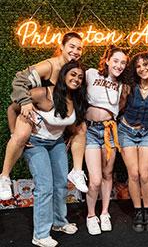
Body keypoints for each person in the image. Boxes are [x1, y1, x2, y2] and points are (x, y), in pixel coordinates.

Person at [7, 60, 88, 247]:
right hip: (35, 143)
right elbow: (12, 108)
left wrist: (70, 136)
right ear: (64, 75)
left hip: (56, 143)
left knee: (60, 184)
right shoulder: (43, 93)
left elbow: (70, 123)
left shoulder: (76, 99)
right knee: (45, 186)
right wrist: (15, 135)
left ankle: (59, 222)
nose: (76, 79)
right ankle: (40, 235)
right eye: (73, 74)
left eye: (80, 77)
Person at [0, 32, 88, 200]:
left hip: (53, 121)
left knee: (80, 127)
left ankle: (77, 172)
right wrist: (25, 102)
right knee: (23, 134)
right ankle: (4, 177)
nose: (75, 51)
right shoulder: (51, 66)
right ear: (61, 46)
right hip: (34, 111)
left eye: (79, 48)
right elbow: (19, 79)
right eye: (72, 46)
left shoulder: (72, 69)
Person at [118, 51, 148, 232]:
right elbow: (119, 108)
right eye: (138, 66)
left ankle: (147, 211)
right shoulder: (129, 87)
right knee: (134, 174)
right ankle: (138, 212)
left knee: (145, 174)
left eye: (145, 65)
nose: (142, 69)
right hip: (126, 131)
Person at [84, 45, 128, 235]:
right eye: (116, 61)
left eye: (123, 63)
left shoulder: (122, 85)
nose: (119, 65)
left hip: (110, 132)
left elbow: (121, 108)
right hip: (91, 131)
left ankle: (104, 213)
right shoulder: (91, 74)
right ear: (107, 60)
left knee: (107, 174)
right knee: (94, 180)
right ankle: (91, 216)